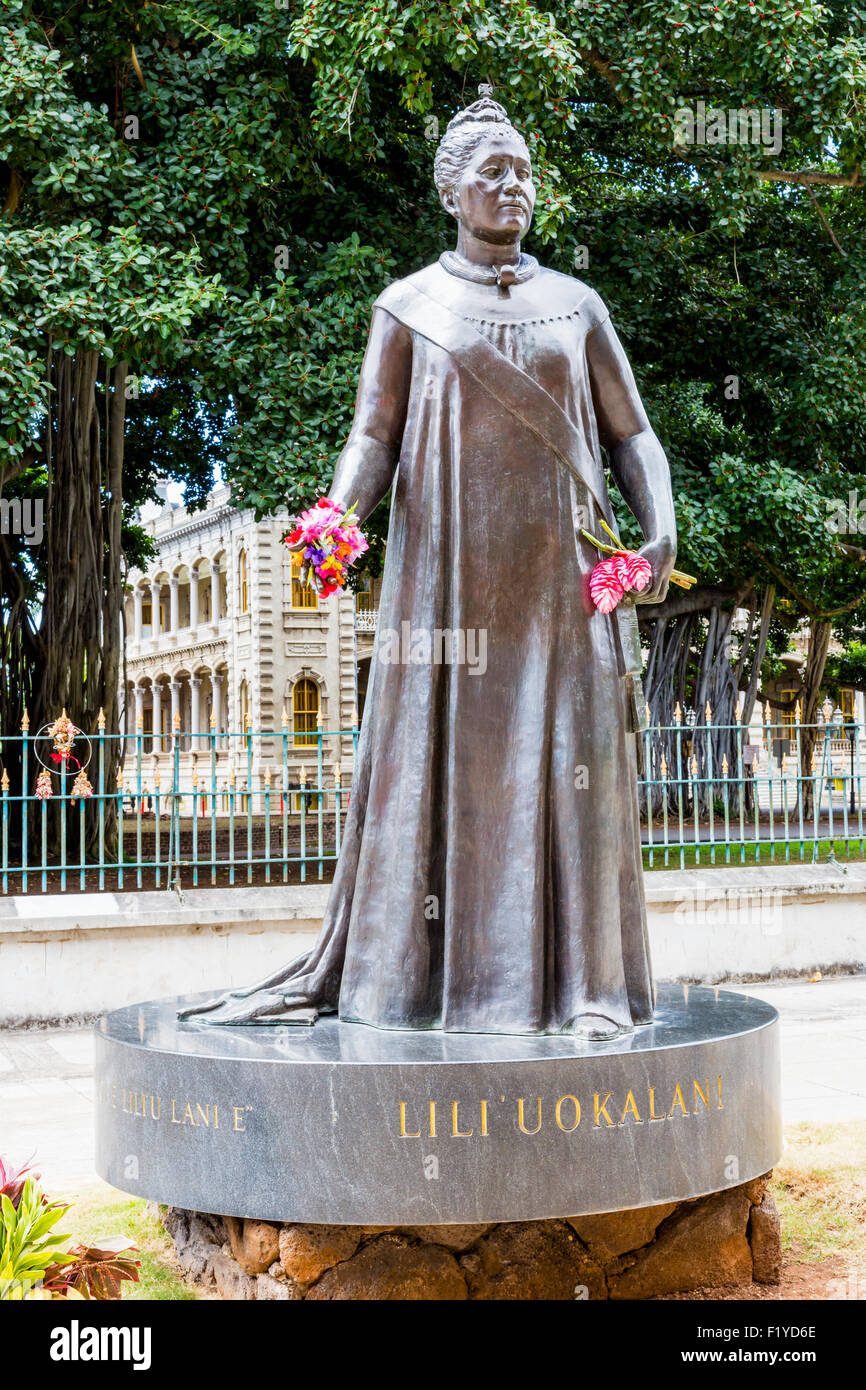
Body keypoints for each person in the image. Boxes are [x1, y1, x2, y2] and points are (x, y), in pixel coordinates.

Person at [180, 96, 676, 1039]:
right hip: (448, 584)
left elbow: (633, 433)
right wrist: (335, 524)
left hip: (565, 583)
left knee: (574, 767)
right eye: (493, 172)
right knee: (440, 768)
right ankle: (415, 988)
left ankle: (587, 993)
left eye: (524, 170)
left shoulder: (578, 304)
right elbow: (373, 435)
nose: (514, 187)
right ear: (451, 188)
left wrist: (662, 529)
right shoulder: (407, 306)